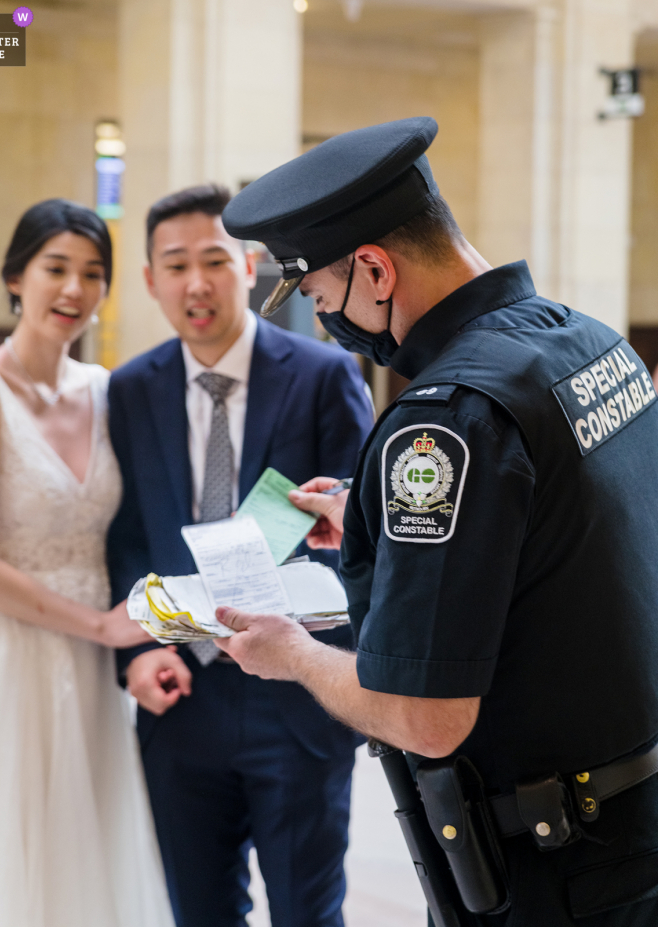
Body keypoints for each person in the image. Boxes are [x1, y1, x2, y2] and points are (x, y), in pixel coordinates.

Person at [213, 117, 658, 926]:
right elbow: (567, 544)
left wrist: (296, 655)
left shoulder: (445, 420)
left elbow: (426, 713)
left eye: (319, 295)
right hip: (633, 827)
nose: (323, 324)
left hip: (557, 874)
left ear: (375, 270)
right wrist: (377, 524)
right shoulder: (591, 343)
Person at [106, 184, 374, 927]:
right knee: (199, 911)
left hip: (298, 689)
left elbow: (365, 533)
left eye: (215, 260)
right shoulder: (130, 390)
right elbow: (125, 533)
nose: (198, 282)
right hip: (181, 694)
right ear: (152, 281)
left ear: (249, 266)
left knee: (307, 912)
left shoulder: (325, 376)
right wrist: (132, 654)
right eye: (177, 264)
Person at [0, 199, 174, 927]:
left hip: (90, 663)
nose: (74, 289)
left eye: (92, 273)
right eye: (56, 268)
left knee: (90, 849)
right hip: (5, 657)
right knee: (12, 851)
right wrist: (100, 625)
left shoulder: (108, 389)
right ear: (16, 275)